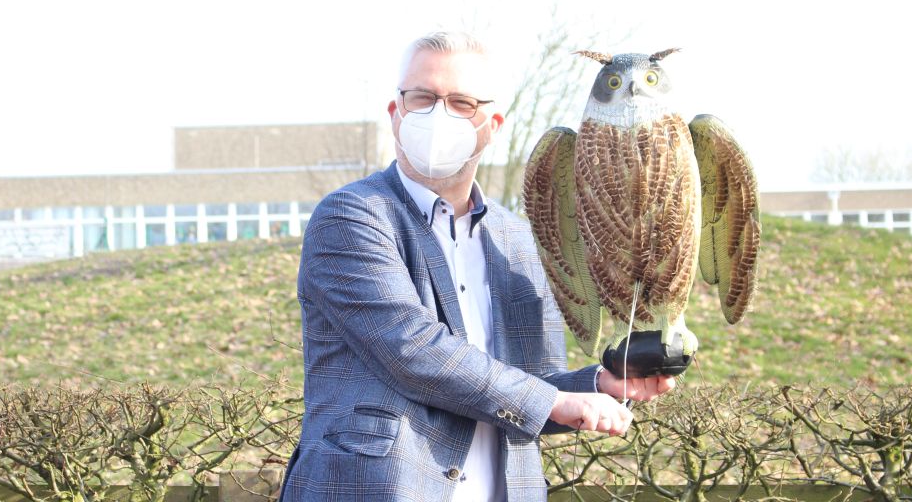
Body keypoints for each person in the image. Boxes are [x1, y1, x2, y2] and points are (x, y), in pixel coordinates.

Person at [279, 32, 675, 501]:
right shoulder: (352, 217)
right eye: (422, 98)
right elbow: (412, 349)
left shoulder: (520, 241)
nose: (438, 115)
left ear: (492, 126)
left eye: (462, 103)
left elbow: (528, 388)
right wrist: (555, 400)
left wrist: (598, 384)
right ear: (395, 112)